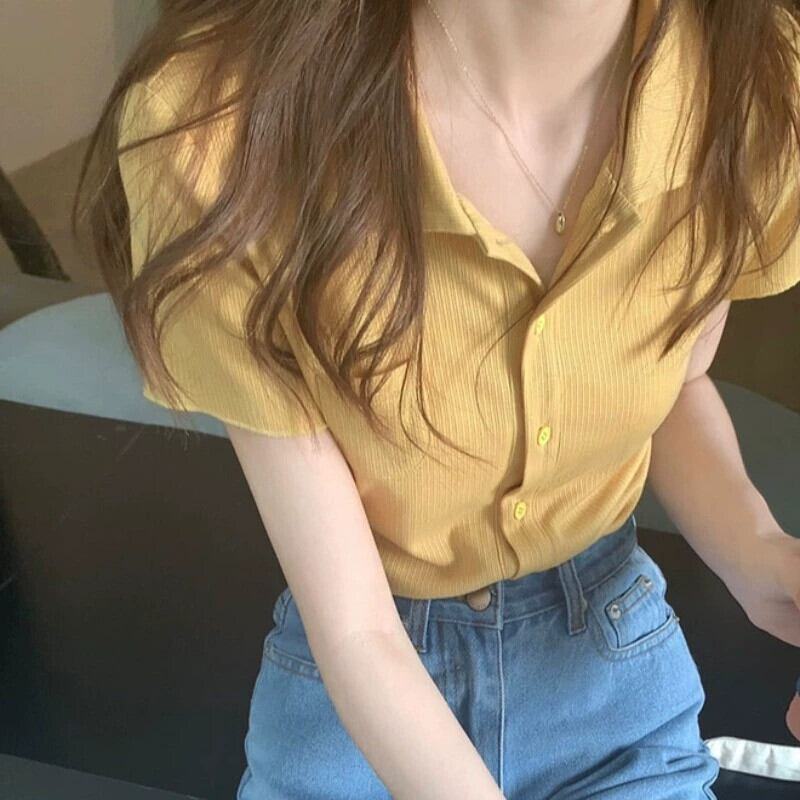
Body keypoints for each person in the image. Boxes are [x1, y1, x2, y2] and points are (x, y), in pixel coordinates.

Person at [75, 0, 800, 797]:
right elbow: (356, 632)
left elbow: (675, 378)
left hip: (609, 670)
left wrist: (758, 552)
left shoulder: (753, 77)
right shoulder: (219, 129)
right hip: (359, 693)